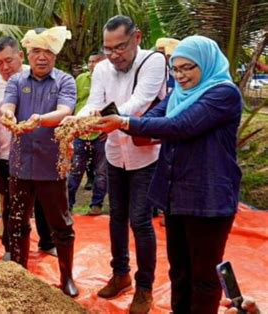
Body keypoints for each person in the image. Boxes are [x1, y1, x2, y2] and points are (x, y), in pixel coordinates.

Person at [90, 35, 243, 314]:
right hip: (177, 194)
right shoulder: (179, 95)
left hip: (208, 197)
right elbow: (157, 115)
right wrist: (100, 120)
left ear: (207, 64)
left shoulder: (224, 93)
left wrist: (122, 122)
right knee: (179, 270)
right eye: (176, 68)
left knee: (205, 275)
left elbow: (179, 126)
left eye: (188, 68)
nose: (180, 75)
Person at [63, 15, 167, 312]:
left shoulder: (153, 62)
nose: (113, 55)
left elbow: (139, 102)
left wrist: (110, 120)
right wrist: (79, 119)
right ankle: (120, 273)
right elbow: (95, 101)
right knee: (117, 217)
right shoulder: (103, 69)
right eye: (108, 49)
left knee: (140, 220)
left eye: (119, 47)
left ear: (137, 37)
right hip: (114, 153)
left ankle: (144, 287)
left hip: (145, 156)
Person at [0, 26, 79, 297]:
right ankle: (19, 273)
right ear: (27, 54)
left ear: (55, 53)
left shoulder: (65, 81)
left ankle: (67, 277)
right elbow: (8, 105)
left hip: (52, 164)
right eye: (36, 51)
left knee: (61, 224)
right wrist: (7, 115)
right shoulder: (16, 81)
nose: (41, 57)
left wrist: (39, 120)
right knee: (17, 220)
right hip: (20, 165)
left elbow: (65, 110)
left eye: (47, 51)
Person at [0, 36, 56, 260]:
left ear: (21, 56)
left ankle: (47, 241)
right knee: (12, 205)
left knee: (44, 202)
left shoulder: (40, 77)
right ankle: (11, 247)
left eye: (9, 61)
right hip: (8, 156)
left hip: (42, 153)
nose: (4, 67)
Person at [67, 51, 107, 215]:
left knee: (102, 172)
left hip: (101, 133)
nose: (92, 65)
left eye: (97, 61)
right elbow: (73, 102)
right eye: (90, 61)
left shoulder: (110, 79)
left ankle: (96, 204)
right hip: (80, 133)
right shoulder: (80, 79)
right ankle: (68, 205)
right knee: (75, 170)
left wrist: (109, 129)